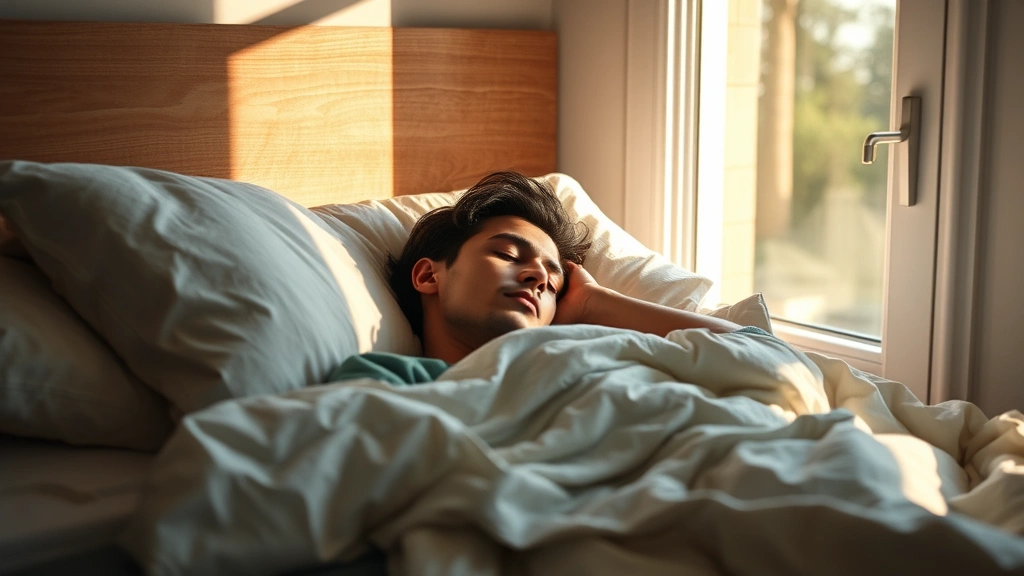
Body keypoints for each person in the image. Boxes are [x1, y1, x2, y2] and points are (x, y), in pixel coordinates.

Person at [328, 171, 742, 385]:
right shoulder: (386, 382)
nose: (538, 278)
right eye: (507, 254)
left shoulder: (590, 362)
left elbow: (756, 354)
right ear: (427, 276)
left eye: (554, 283)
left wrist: (592, 302)